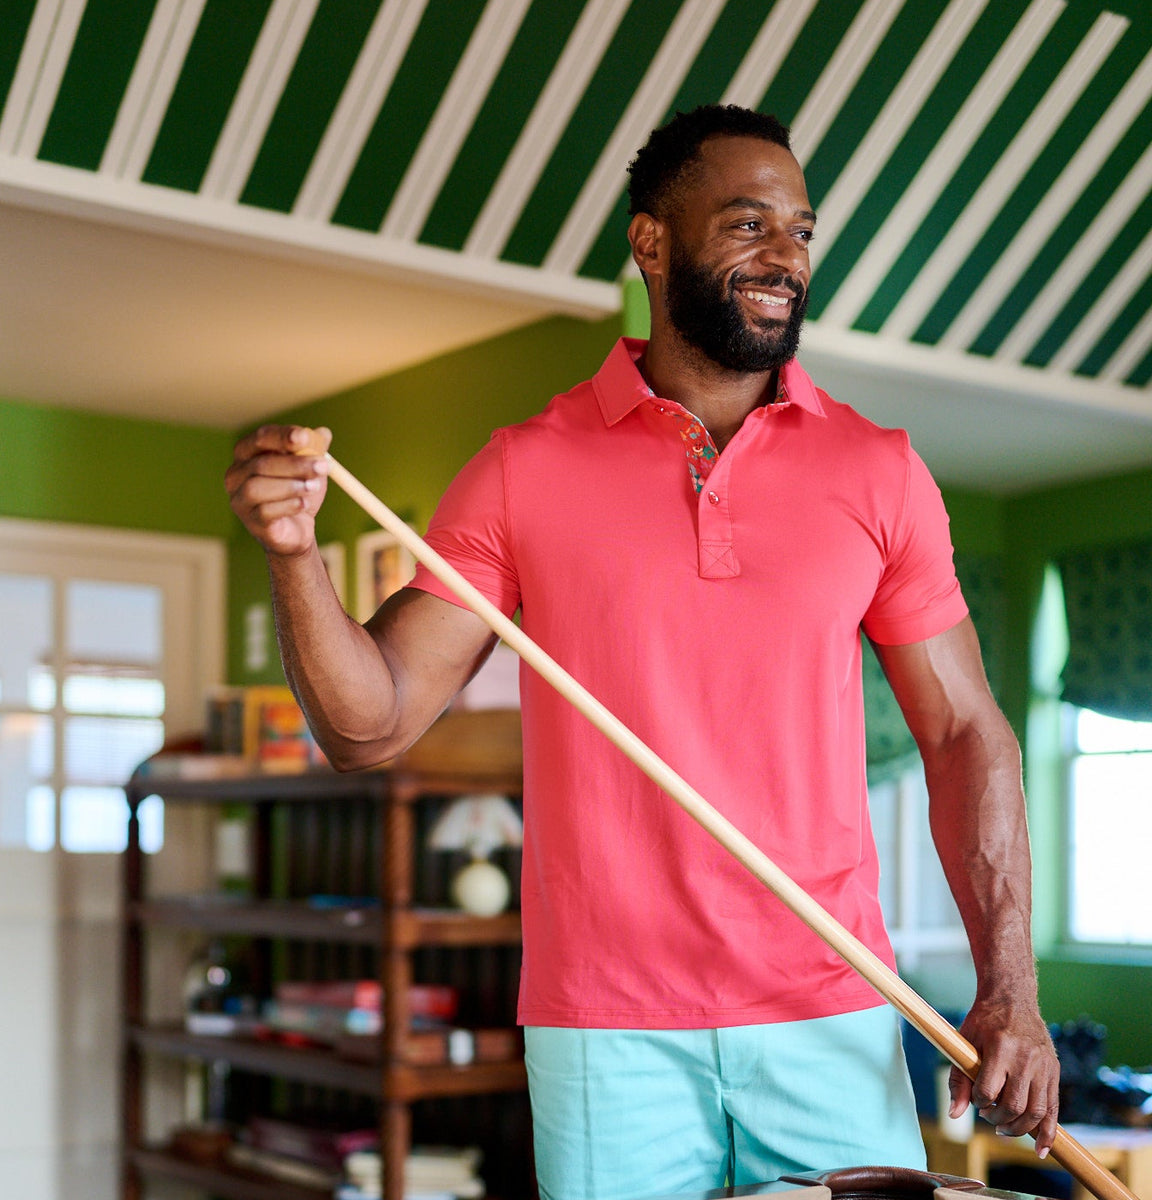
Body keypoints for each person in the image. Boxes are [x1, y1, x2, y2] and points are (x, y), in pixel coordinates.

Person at [226, 104, 1059, 1199]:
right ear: (652, 242)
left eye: (801, 231)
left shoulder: (880, 472)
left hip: (834, 1004)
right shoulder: (523, 469)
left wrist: (1010, 984)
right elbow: (365, 723)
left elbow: (961, 734)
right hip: (605, 1028)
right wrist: (294, 557)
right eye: (748, 224)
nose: (784, 259)